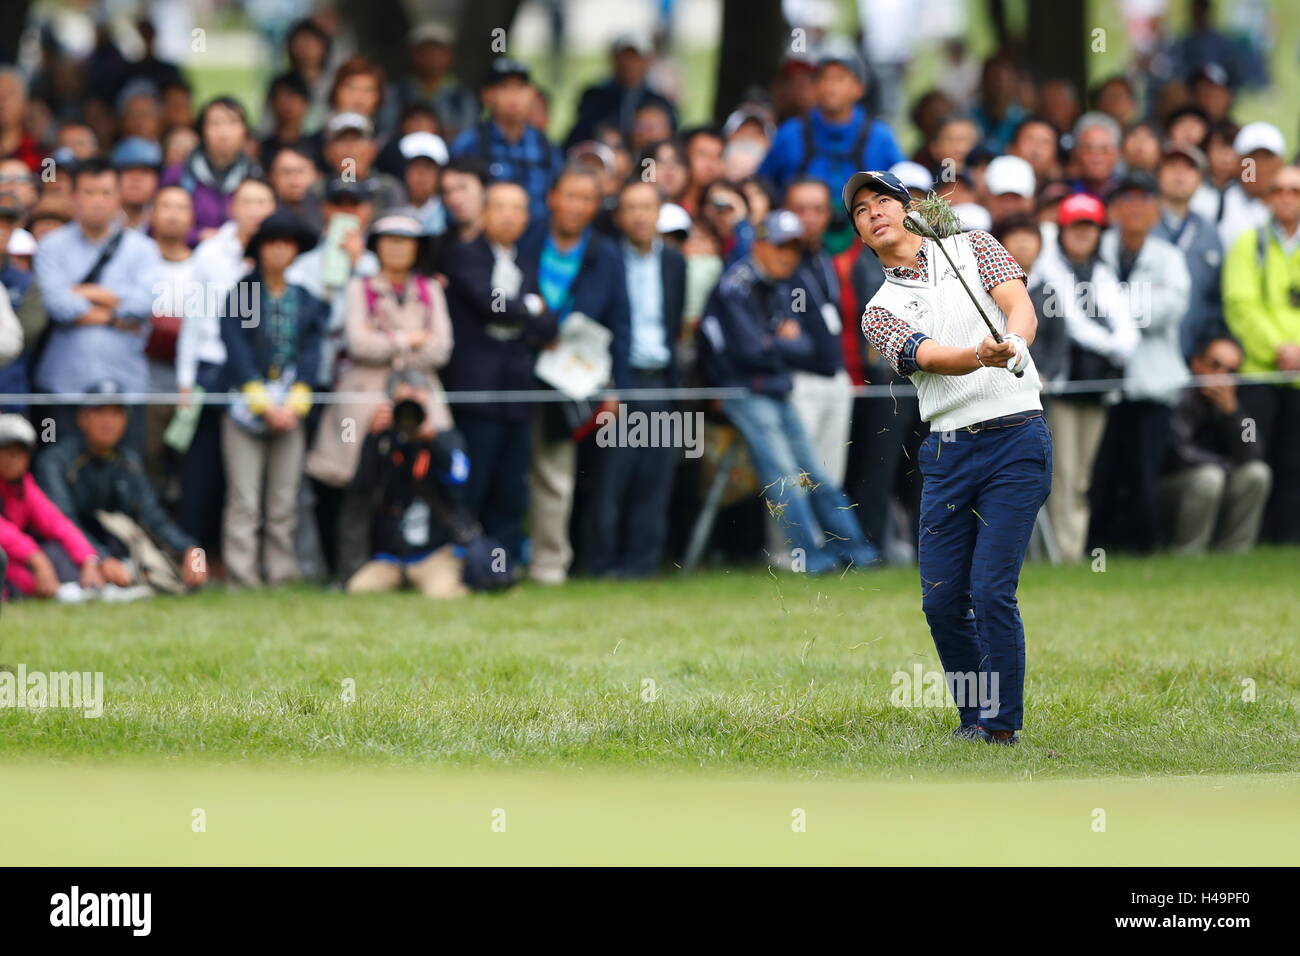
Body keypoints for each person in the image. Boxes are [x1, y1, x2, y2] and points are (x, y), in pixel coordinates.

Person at [845, 169, 1047, 744]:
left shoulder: (974, 245)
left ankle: (1000, 727)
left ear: (908, 208)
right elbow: (930, 356)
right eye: (861, 211)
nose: (874, 213)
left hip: (1016, 437)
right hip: (949, 450)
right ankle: (972, 718)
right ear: (859, 234)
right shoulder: (877, 310)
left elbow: (1020, 307)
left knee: (990, 591)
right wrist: (980, 355)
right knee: (941, 599)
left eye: (882, 200)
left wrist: (1015, 344)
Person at [697, 209, 879, 575]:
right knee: (785, 477)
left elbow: (806, 346)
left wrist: (776, 344)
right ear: (759, 245)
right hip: (742, 392)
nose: (787, 256)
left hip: (774, 388)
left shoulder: (781, 285)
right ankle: (811, 558)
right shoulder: (736, 285)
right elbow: (749, 350)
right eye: (780, 247)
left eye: (793, 248)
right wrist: (781, 342)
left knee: (816, 473)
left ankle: (857, 553)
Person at [305, 211, 455, 580]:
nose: (398, 249)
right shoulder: (361, 287)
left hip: (421, 394)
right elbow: (357, 343)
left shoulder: (429, 289)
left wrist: (389, 347)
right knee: (357, 482)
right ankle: (350, 571)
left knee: (426, 474)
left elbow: (442, 347)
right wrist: (406, 340)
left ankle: (419, 564)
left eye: (406, 242)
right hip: (364, 397)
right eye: (390, 241)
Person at [519, 166, 631, 585]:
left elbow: (621, 325)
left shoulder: (606, 255)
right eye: (571, 195)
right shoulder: (524, 241)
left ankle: (549, 564)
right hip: (513, 372)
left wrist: (616, 389)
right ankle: (497, 558)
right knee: (506, 469)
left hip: (570, 380)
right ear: (551, 197)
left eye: (588, 199)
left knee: (555, 475)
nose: (577, 206)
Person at [441, 182, 555, 563]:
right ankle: (464, 563)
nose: (508, 216)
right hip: (477, 391)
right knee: (474, 484)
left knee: (511, 489)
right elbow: (490, 303)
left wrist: (524, 311)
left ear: (526, 218)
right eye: (500, 207)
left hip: (517, 392)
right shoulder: (465, 255)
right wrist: (529, 307)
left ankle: (502, 567)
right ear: (485, 212)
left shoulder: (526, 259)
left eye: (517, 208)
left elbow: (547, 326)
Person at [219, 210, 328, 588]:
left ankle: (281, 574)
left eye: (287, 243)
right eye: (272, 242)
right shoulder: (242, 293)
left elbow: (312, 353)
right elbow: (236, 350)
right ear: (260, 248)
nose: (279, 251)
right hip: (245, 409)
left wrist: (297, 400)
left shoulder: (308, 300)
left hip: (292, 408)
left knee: (283, 501)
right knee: (244, 499)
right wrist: (261, 401)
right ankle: (241, 576)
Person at [582, 179, 685, 578]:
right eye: (631, 208)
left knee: (654, 479)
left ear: (659, 213)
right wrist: (608, 385)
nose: (640, 216)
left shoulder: (675, 262)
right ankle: (601, 564)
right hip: (619, 382)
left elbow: (675, 325)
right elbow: (592, 322)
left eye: (647, 207)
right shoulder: (605, 258)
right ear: (619, 217)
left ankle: (643, 564)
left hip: (662, 381)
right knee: (613, 478)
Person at [1032, 192, 1137, 561]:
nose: (1082, 234)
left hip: (1096, 389)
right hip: (1062, 389)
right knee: (1063, 475)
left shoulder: (1103, 271)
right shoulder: (1049, 272)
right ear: (1061, 230)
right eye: (1075, 226)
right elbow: (1073, 323)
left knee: (1081, 478)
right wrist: (1114, 345)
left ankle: (1071, 551)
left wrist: (1120, 343)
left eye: (1089, 227)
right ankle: (1065, 554)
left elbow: (1125, 325)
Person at [1090, 172, 1191, 554]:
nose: (1134, 207)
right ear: (1114, 208)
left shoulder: (1170, 257)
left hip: (1153, 383)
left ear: (1156, 208)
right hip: (1105, 383)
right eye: (1126, 199)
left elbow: (1168, 310)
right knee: (1104, 468)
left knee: (1145, 469)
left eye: (1143, 199)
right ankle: (1099, 544)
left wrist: (1112, 306)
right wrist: (1122, 307)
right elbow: (1080, 301)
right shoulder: (1100, 247)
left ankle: (1145, 545)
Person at [176, 176, 276, 558]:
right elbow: (193, 320)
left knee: (251, 475)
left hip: (263, 376)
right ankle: (193, 557)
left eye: (263, 201)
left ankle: (250, 560)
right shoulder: (210, 253)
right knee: (202, 469)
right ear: (232, 207)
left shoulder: (285, 252)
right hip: (213, 368)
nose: (255, 210)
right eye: (247, 201)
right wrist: (185, 379)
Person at [33, 157, 162, 445]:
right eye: (89, 192)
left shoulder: (144, 249)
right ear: (74, 197)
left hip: (126, 384)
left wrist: (81, 291)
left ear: (118, 197)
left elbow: (141, 304)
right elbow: (56, 305)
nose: (97, 201)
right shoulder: (51, 246)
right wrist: (115, 316)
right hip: (63, 385)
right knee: (57, 471)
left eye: (106, 193)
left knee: (127, 477)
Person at [35, 380, 208, 594]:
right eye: (100, 411)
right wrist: (98, 557)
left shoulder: (129, 462)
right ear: (82, 418)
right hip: (68, 550)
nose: (108, 421)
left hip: (115, 550)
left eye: (116, 413)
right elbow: (61, 521)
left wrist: (191, 549)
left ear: (125, 420)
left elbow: (154, 518)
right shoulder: (56, 460)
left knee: (151, 559)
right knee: (56, 556)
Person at [346, 371, 475, 599]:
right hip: (392, 557)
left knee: (442, 595)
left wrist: (433, 440)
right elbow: (361, 487)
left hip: (436, 554)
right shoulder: (385, 442)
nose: (409, 415)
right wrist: (372, 438)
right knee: (359, 589)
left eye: (415, 404)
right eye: (402, 404)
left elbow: (460, 478)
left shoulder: (446, 438)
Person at [1222, 163, 1300, 543]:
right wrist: (1279, 349)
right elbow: (1240, 305)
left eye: (1295, 191)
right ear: (1266, 198)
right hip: (1260, 373)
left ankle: (1286, 540)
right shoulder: (1247, 244)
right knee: (1256, 456)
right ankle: (1254, 540)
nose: (1286, 197)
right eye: (1279, 190)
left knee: (1294, 462)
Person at [1161, 335, 1271, 555]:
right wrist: (1223, 466)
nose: (1222, 376)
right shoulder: (1179, 395)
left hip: (1218, 477)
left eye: (1231, 371)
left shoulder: (1235, 402)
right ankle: (1188, 553)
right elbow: (1179, 453)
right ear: (1196, 364)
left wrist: (1233, 414)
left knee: (1258, 473)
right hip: (1173, 487)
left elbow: (1254, 451)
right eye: (1215, 365)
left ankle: (1233, 554)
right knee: (1210, 477)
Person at [758, 51, 904, 200]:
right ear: (814, 87)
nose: (831, 87)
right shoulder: (790, 133)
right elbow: (763, 183)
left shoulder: (880, 137)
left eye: (840, 79)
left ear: (859, 89)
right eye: (824, 78)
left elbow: (902, 185)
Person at [0, 413, 101, 599]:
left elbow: (56, 523)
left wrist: (89, 559)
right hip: (11, 565)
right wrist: (36, 559)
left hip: (20, 560)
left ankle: (83, 588)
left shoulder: (25, 486)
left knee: (56, 550)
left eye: (19, 452)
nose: (12, 458)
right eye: (5, 450)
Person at [451, 59, 561, 225]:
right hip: (485, 240)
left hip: (536, 241)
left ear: (532, 93)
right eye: (504, 87)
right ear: (487, 95)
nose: (514, 95)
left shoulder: (546, 146)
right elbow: (454, 201)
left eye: (520, 87)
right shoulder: (469, 145)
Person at [1153, 142, 1225, 357]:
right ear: (1159, 175)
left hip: (1195, 351)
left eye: (1189, 168)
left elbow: (1216, 298)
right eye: (1172, 166)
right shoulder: (1138, 224)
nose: (1179, 174)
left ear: (1200, 180)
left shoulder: (1209, 233)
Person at [162, 96, 260, 243]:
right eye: (215, 123)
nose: (224, 132)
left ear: (244, 131)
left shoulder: (255, 175)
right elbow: (158, 223)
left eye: (232, 123)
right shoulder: (179, 174)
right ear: (202, 130)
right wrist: (197, 236)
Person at [565, 34, 677, 149]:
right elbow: (579, 136)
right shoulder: (594, 98)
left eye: (635, 58)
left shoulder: (660, 102)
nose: (629, 64)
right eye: (624, 58)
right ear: (614, 60)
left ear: (647, 61)